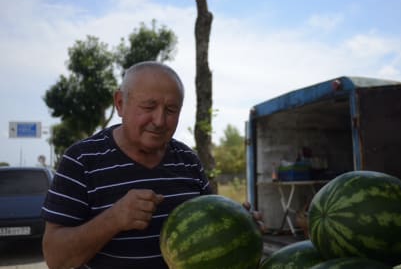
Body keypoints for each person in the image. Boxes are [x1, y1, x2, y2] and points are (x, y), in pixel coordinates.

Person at [42, 61, 261, 269]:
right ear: (120, 103)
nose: (159, 120)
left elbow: (209, 232)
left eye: (171, 110)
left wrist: (238, 225)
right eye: (149, 106)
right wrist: (113, 219)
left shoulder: (188, 160)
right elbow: (56, 257)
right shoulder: (81, 159)